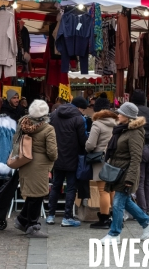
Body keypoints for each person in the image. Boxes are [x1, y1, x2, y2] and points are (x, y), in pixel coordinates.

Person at [100, 102, 149, 246]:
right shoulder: (123, 130)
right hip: (119, 170)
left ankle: (114, 234)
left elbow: (136, 158)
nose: (118, 115)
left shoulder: (135, 132)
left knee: (118, 203)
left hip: (126, 172)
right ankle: (147, 223)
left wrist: (131, 179)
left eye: (120, 113)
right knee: (125, 201)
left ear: (127, 116)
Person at [14, 100, 58, 238]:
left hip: (24, 161)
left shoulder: (22, 123)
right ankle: (32, 225)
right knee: (37, 195)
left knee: (32, 194)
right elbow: (52, 152)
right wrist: (54, 159)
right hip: (39, 165)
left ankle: (22, 219)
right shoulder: (47, 129)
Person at [46, 97, 87, 227]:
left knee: (56, 185)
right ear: (79, 107)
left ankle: (50, 215)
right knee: (71, 187)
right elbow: (83, 140)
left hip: (56, 156)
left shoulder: (54, 114)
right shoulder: (79, 119)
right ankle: (67, 217)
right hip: (72, 157)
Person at [85, 103, 117, 229]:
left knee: (102, 190)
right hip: (114, 159)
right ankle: (116, 217)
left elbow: (91, 144)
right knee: (112, 190)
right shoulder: (116, 124)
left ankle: (104, 218)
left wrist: (87, 147)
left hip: (100, 159)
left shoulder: (97, 124)